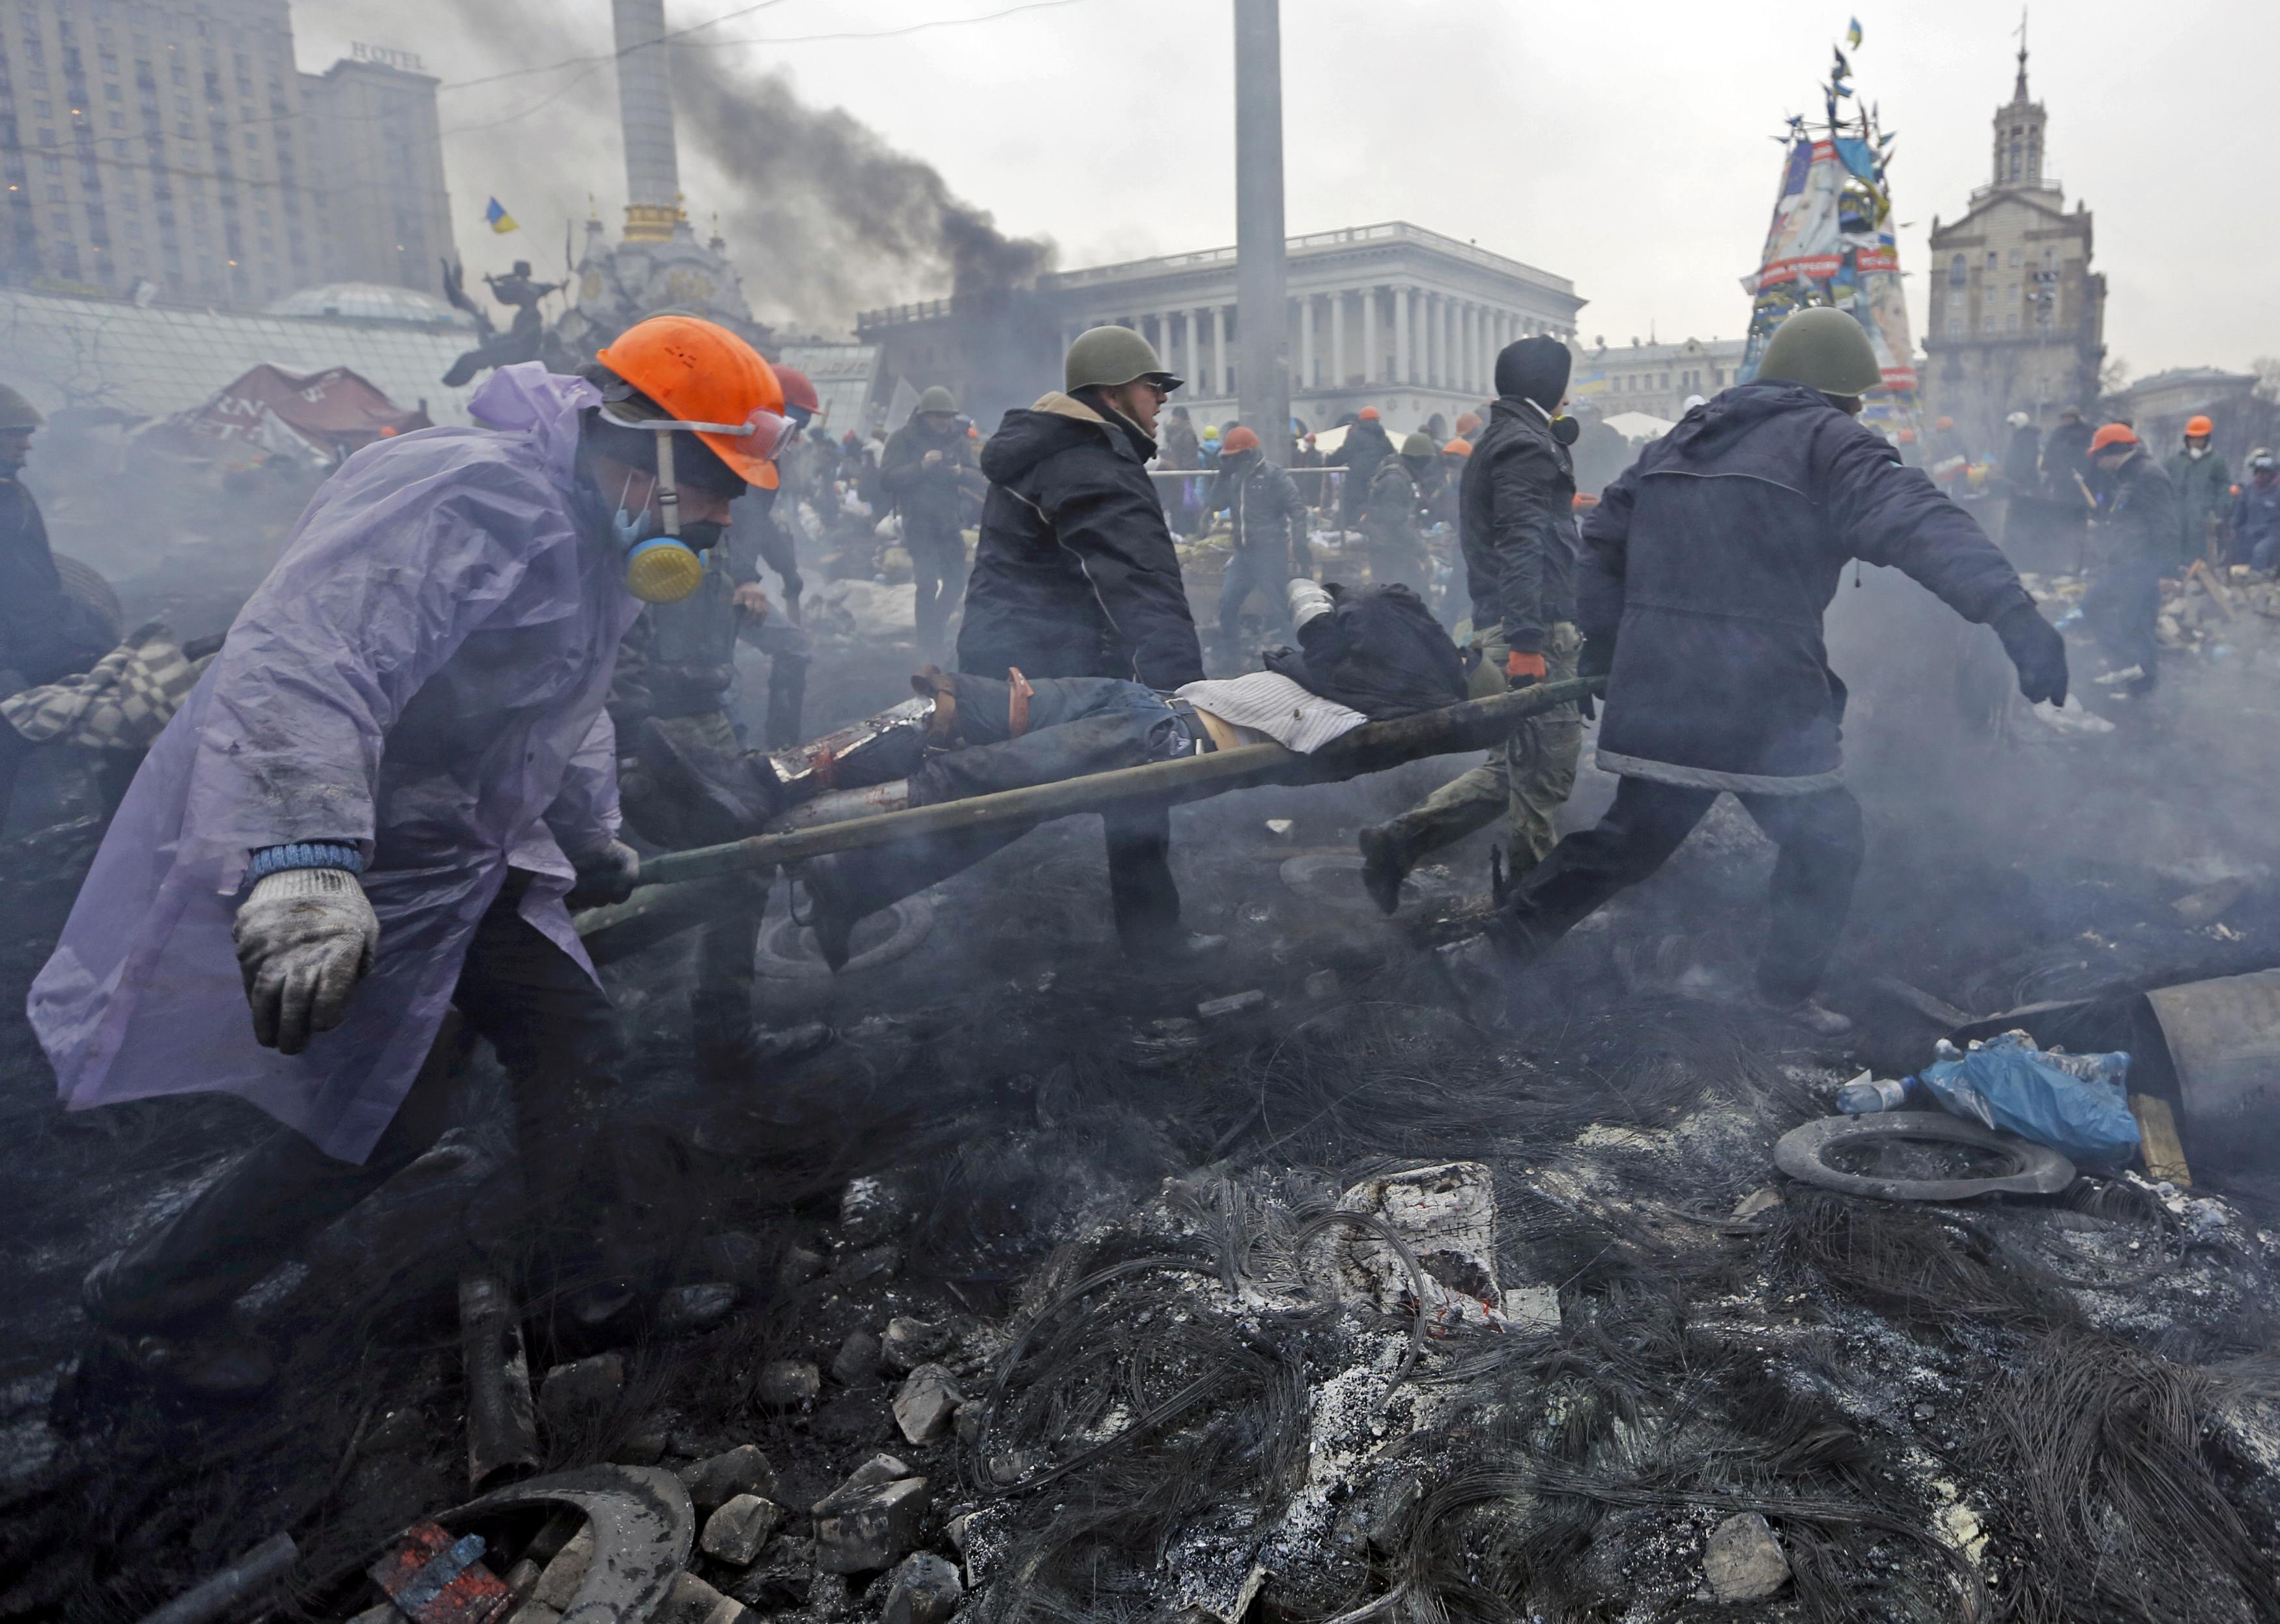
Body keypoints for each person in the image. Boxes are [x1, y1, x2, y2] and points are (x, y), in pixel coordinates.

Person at [44, 317, 791, 1393]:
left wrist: (589, 835)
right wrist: (302, 859)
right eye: (716, 483)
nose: (723, 517)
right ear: (635, 441)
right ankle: (145, 1299)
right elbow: (311, 660)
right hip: (353, 852)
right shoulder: (463, 495)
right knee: (393, 1113)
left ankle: (582, 1290)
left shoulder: (599, 543)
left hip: (459, 852)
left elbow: (565, 707)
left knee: (569, 1039)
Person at [1475, 307, 2068, 1036]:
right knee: (1827, 839)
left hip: (1663, 691)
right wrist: (2011, 612)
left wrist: (1606, 647)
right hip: (1760, 700)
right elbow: (1918, 520)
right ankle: (1782, 997)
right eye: (1855, 400)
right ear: (1844, 393)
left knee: (1629, 839)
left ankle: (1503, 945)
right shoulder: (1830, 441)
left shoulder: (1681, 436)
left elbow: (1600, 542)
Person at [797, 579, 1462, 966]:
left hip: (1160, 738)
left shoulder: (1395, 687)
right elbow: (1317, 605)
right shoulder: (1358, 665)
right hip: (1150, 708)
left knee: (987, 788)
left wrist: (1336, 601)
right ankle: (790, 789)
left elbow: (1317, 608)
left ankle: (824, 850)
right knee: (966, 711)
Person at [955, 324, 1208, 958]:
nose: (1162, 400)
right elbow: (1139, 583)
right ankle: (1154, 949)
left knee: (997, 794)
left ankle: (954, 919)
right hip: (1054, 662)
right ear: (1117, 391)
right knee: (1138, 779)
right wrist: (1179, 694)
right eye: (1154, 387)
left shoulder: (1051, 448)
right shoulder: (1090, 457)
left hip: (1015, 654)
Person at [1359, 336, 1582, 914]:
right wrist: (1530, 643)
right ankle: (1531, 917)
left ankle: (1397, 841)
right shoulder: (1528, 445)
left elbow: (1522, 526)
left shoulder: (1503, 438)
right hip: (1528, 633)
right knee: (1544, 779)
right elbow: (1520, 542)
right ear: (1554, 387)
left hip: (1509, 626)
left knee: (1513, 770)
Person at [0, 382, 120, 824]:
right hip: (19, 655)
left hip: (48, 638)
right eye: (14, 432)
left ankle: (113, 824)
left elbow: (34, 582)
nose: (26, 443)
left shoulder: (12, 491)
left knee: (122, 711)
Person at [881, 386, 987, 660]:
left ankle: (934, 629)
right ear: (924, 416)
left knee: (955, 582)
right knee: (926, 584)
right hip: (919, 523)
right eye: (939, 417)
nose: (945, 422)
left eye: (949, 417)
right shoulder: (902, 440)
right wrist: (921, 467)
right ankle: (927, 645)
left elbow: (978, 476)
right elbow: (887, 479)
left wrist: (960, 472)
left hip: (949, 522)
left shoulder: (957, 442)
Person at [2079, 423, 2178, 698]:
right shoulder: (2131, 476)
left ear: (2114, 451)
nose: (2098, 463)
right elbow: (2130, 519)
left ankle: (2134, 675)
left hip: (2142, 564)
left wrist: (2167, 572)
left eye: (2100, 455)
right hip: (2128, 561)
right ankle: (2137, 679)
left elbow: (2165, 525)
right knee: (2135, 622)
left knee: (2115, 614)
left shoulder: (2149, 476)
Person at [1206, 425, 1311, 664]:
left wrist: (1299, 544)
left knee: (1281, 610)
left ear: (1248, 454)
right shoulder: (1232, 478)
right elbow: (1214, 505)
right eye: (1228, 459)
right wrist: (1221, 476)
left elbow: (1297, 509)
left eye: (1235, 458)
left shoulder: (1274, 476)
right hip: (1243, 555)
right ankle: (1231, 660)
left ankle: (1300, 660)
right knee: (1227, 605)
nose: (1232, 463)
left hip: (1270, 553)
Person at [1361, 434, 1436, 593]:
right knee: (1399, 598)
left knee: (1417, 595)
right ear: (1419, 459)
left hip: (1394, 547)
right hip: (1389, 551)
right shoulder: (1396, 480)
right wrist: (1423, 552)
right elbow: (1396, 522)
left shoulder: (1399, 475)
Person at [2166, 414, 2231, 567]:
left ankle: (2198, 576)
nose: (2196, 442)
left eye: (2200, 438)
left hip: (2203, 513)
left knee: (2199, 545)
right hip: (2178, 511)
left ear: (2207, 439)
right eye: (2193, 438)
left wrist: (2219, 510)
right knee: (2176, 541)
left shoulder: (2216, 461)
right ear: (2187, 439)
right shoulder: (2175, 461)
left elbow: (2224, 486)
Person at [1327, 406, 1393, 530]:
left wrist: (1329, 461)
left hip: (1356, 482)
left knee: (1349, 514)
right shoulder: (1384, 438)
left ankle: (1347, 537)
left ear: (1360, 420)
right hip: (1377, 482)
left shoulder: (1355, 435)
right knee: (1372, 513)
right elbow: (1392, 456)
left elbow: (1344, 453)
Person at [2233, 449, 2280, 570]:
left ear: (2273, 474)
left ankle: (2257, 576)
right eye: (2259, 472)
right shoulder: (2249, 490)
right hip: (2251, 530)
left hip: (2273, 533)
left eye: (2265, 472)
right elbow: (2240, 513)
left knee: (2261, 550)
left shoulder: (2278, 491)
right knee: (2238, 547)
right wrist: (2234, 526)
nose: (2261, 476)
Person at [2044, 405, 2094, 498]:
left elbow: (2087, 452)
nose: (2067, 420)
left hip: (2076, 470)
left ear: (2076, 418)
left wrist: (2083, 471)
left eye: (2070, 418)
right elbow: (2050, 448)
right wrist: (2046, 465)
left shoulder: (2086, 431)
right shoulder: (2059, 431)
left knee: (2075, 494)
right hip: (2059, 469)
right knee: (2059, 494)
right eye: (2065, 418)